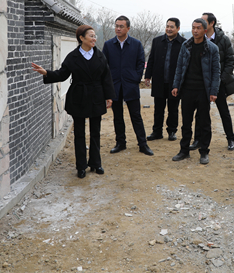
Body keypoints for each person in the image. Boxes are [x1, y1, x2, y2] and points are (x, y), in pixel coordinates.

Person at [31, 25, 115, 179]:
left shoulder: (100, 55)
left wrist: (109, 96)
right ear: (81, 38)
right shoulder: (73, 56)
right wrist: (46, 73)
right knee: (79, 133)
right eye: (91, 36)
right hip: (79, 96)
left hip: (96, 96)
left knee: (95, 132)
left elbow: (106, 77)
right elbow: (62, 74)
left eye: (95, 36)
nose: (94, 39)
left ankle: (96, 163)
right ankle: (81, 166)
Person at [102, 16, 154, 156]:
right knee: (117, 116)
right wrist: (108, 83)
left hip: (130, 85)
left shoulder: (136, 44)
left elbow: (140, 62)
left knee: (136, 116)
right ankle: (120, 143)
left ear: (128, 28)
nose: (118, 29)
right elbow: (104, 65)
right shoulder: (108, 45)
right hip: (114, 85)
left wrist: (136, 78)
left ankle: (142, 144)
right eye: (116, 26)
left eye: (121, 26)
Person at [189, 13, 234, 151]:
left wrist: (221, 79)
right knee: (200, 113)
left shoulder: (223, 39)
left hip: (219, 83)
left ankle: (230, 138)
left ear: (211, 23)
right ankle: (197, 140)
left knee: (223, 111)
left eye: (204, 21)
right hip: (202, 84)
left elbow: (230, 61)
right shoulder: (198, 39)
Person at [171, 18, 220, 164]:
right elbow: (179, 67)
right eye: (193, 28)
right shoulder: (186, 46)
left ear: (205, 30)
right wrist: (176, 85)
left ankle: (204, 151)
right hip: (187, 90)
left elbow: (216, 72)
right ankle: (184, 150)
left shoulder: (212, 48)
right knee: (186, 122)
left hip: (203, 91)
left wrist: (213, 91)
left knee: (204, 123)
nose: (195, 30)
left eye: (198, 28)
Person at [145, 18, 185, 141]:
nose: (169, 29)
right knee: (158, 109)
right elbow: (151, 59)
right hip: (159, 80)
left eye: (172, 27)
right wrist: (148, 76)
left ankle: (172, 131)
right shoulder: (157, 41)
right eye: (167, 26)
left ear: (178, 28)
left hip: (175, 82)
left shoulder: (184, 43)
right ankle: (157, 131)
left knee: (173, 109)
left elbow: (185, 64)